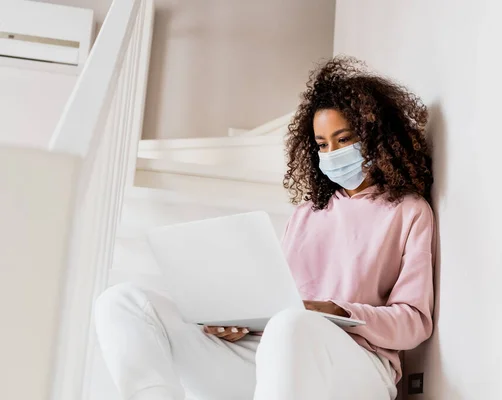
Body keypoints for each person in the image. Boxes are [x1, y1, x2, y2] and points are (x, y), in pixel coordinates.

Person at [94, 56, 435, 400]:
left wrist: (338, 310)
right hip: (271, 355)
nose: (331, 152)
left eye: (343, 139)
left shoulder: (408, 212)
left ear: (376, 136)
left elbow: (414, 323)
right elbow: (278, 303)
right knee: (123, 301)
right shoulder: (306, 214)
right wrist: (238, 321)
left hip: (356, 363)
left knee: (293, 324)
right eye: (322, 144)